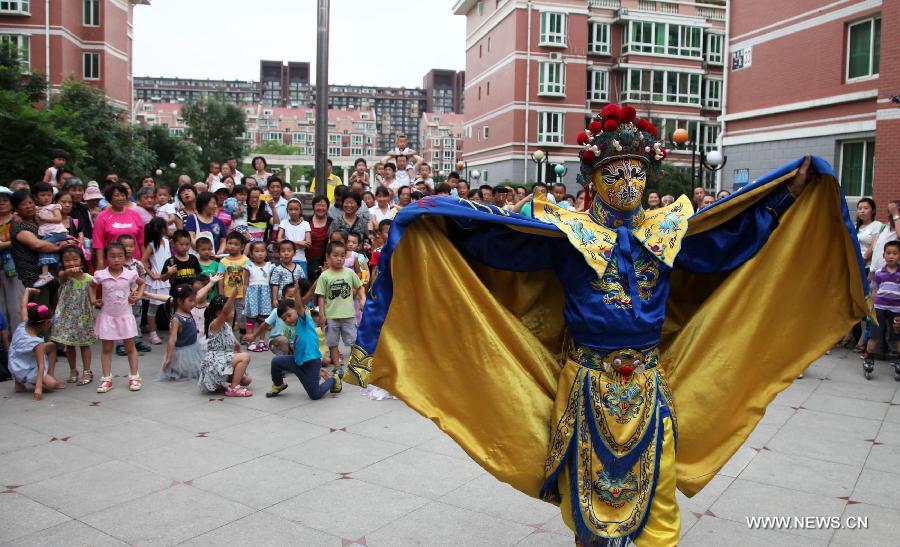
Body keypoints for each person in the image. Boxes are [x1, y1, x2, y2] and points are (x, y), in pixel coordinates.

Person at [344, 104, 861, 546]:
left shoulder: (669, 232)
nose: (628, 183)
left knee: (658, 504)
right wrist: (439, 217)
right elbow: (498, 243)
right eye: (616, 172)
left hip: (649, 386)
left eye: (637, 172)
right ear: (594, 179)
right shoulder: (569, 234)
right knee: (588, 504)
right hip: (586, 384)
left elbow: (726, 241)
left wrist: (783, 197)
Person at [90, 241, 145, 393]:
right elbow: (91, 286)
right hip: (107, 317)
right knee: (107, 349)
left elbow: (142, 283)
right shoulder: (101, 275)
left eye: (120, 256)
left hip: (125, 316)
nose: (116, 259)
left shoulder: (130, 274)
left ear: (125, 256)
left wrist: (137, 297)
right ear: (106, 257)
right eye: (112, 256)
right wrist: (93, 300)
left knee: (130, 347)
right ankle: (106, 379)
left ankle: (134, 376)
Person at [266, 298, 341, 398]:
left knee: (315, 394)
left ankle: (334, 379)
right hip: (297, 361)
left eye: (289, 315)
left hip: (311, 363)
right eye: (284, 319)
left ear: (297, 310)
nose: (287, 320)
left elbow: (300, 304)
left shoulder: (304, 321)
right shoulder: (292, 327)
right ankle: (279, 384)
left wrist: (298, 289)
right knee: (276, 362)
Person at [315, 241, 365, 376]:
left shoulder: (350, 273)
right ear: (328, 257)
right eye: (335, 255)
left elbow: (360, 287)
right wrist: (321, 314)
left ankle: (356, 364)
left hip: (348, 315)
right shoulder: (324, 276)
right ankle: (337, 366)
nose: (339, 258)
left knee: (353, 341)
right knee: (332, 343)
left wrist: (362, 301)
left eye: (342, 255)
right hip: (331, 316)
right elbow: (321, 296)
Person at [50, 247, 96, 386]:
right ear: (62, 262)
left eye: (75, 259)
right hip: (67, 316)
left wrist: (95, 306)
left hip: (83, 316)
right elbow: (62, 276)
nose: (71, 263)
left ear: (82, 260)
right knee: (69, 345)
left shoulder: (89, 278)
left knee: (84, 344)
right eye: (67, 260)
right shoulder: (64, 277)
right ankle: (73, 370)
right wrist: (68, 271)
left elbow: (92, 295)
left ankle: (87, 371)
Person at [11, 289, 63, 399]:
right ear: (45, 323)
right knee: (51, 384)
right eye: (51, 322)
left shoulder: (23, 324)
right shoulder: (37, 342)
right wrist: (38, 390)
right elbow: (41, 366)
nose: (51, 325)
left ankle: (19, 382)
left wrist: (27, 291)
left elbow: (23, 307)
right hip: (25, 368)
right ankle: (32, 381)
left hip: (14, 362)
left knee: (52, 346)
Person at [199, 293, 253, 396]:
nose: (233, 312)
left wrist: (236, 346)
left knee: (247, 380)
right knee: (245, 357)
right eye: (231, 310)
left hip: (223, 361)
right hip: (216, 363)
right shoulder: (215, 324)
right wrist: (233, 296)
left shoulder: (226, 325)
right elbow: (225, 312)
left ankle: (222, 382)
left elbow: (233, 342)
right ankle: (233, 389)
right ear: (219, 313)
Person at [863, 240, 900, 380]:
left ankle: (898, 359)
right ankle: (868, 357)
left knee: (897, 336)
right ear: (883, 255)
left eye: (895, 253)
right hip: (879, 308)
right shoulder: (879, 273)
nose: (891, 256)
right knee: (875, 335)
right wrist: (871, 307)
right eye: (888, 253)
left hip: (897, 310)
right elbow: (874, 290)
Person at [92, 183, 145, 269]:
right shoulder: (102, 217)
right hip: (112, 263)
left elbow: (141, 241)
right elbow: (98, 243)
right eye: (116, 195)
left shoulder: (135, 215)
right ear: (110, 198)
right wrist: (100, 263)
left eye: (122, 195)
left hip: (134, 263)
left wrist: (144, 260)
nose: (120, 198)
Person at [117, 234, 152, 356]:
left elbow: (142, 279)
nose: (129, 249)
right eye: (125, 246)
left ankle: (136, 340)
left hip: (136, 296)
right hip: (122, 298)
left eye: (131, 246)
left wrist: (137, 291)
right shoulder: (117, 264)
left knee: (136, 317)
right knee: (121, 319)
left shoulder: (138, 264)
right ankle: (120, 343)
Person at [160, 284, 203, 381]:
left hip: (193, 347)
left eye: (194, 300)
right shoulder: (176, 319)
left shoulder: (188, 311)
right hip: (183, 352)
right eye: (190, 301)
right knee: (185, 373)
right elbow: (172, 339)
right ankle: (176, 370)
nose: (193, 303)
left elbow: (200, 295)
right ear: (179, 301)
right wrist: (168, 358)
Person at [31, 182, 70, 288]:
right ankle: (56, 269)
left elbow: (58, 219)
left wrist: (44, 218)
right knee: (50, 249)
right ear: (36, 197)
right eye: (42, 195)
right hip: (48, 233)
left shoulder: (53, 207)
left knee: (43, 247)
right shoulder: (37, 208)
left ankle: (45, 274)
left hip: (56, 232)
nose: (46, 198)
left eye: (48, 195)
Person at [142, 217, 172, 345]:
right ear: (161, 229)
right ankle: (153, 333)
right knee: (153, 307)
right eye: (166, 226)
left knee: (171, 306)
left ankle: (174, 330)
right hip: (157, 280)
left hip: (168, 278)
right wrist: (151, 274)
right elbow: (143, 260)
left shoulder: (167, 241)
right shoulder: (151, 245)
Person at [0, 186, 23, 332]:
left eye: (5, 200)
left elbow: (22, 240)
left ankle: (18, 340)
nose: (1, 203)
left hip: (14, 267)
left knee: (16, 306)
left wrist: (3, 245)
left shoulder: (17, 220)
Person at [219, 232, 249, 335]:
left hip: (241, 295)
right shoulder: (223, 261)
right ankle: (226, 334)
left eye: (236, 244)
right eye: (230, 243)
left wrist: (247, 294)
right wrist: (221, 294)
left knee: (241, 316)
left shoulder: (246, 260)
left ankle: (243, 333)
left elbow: (248, 278)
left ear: (242, 246)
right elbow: (220, 278)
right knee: (227, 315)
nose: (232, 246)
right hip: (228, 295)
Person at [243, 241, 274, 335]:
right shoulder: (249, 267)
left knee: (263, 319)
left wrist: (273, 298)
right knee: (250, 319)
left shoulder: (270, 266)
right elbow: (245, 284)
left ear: (266, 253)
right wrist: (244, 299)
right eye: (257, 251)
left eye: (262, 251)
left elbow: (272, 284)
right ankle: (250, 340)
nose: (260, 253)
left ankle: (261, 341)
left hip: (265, 297)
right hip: (252, 297)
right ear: (251, 254)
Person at [276, 198, 311, 276]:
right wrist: (299, 243)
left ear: (300, 210)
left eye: (296, 209)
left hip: (301, 259)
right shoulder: (284, 222)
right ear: (287, 210)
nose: (293, 212)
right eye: (290, 209)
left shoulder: (305, 224)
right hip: (285, 259)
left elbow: (308, 244)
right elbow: (279, 240)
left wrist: (287, 244)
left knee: (302, 284)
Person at [270, 240, 304, 307]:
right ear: (279, 254)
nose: (286, 253)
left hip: (296, 298)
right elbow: (275, 285)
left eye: (289, 251)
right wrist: (274, 299)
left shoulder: (299, 268)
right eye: (283, 251)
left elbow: (302, 283)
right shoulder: (277, 269)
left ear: (294, 253)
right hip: (282, 299)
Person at [306, 196, 331, 280]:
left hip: (325, 260)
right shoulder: (306, 221)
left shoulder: (332, 222)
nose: (320, 208)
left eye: (323, 205)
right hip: (307, 259)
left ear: (327, 207)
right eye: (318, 205)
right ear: (313, 207)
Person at [195, 236, 224, 300]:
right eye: (203, 249)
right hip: (200, 298)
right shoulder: (196, 264)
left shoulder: (216, 264)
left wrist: (221, 297)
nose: (207, 252)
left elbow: (220, 283)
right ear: (197, 250)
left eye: (209, 249)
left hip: (214, 297)